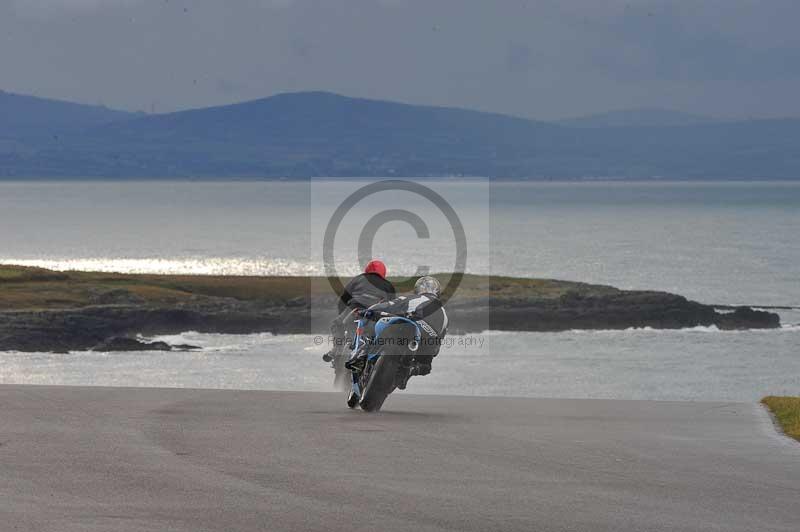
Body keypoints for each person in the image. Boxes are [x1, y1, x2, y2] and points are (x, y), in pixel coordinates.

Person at [356, 275, 448, 388]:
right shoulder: (445, 314)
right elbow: (438, 346)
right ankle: (407, 372)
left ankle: (362, 354)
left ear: (418, 289)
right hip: (428, 344)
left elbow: (388, 305)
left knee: (378, 325)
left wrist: (369, 310)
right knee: (426, 367)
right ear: (437, 291)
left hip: (408, 330)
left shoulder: (416, 299)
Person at [323, 259, 395, 363]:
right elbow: (392, 305)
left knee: (336, 324)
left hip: (355, 308)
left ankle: (337, 349)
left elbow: (344, 298)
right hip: (375, 313)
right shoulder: (388, 285)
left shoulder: (359, 278)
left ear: (367, 269)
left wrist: (342, 314)